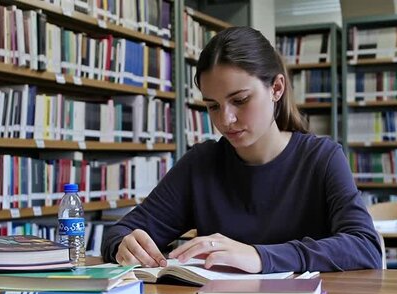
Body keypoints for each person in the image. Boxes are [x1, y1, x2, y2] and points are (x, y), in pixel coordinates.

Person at [101, 26, 382, 273]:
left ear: (276, 88)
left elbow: (364, 246)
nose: (225, 120)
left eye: (240, 100)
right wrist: (124, 245)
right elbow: (119, 232)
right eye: (213, 106)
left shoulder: (322, 158)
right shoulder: (201, 164)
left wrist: (259, 256)